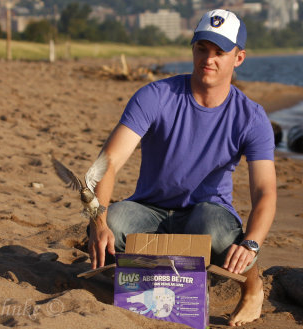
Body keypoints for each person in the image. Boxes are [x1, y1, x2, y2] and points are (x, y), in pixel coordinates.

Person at [88, 8, 277, 327]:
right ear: (193, 48)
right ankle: (141, 278)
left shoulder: (251, 117)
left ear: (239, 58)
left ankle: (252, 287)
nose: (209, 59)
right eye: (202, 48)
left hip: (207, 213)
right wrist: (98, 221)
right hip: (149, 210)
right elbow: (107, 163)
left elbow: (265, 191)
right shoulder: (155, 96)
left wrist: (252, 242)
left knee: (214, 228)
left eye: (220, 52)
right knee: (113, 220)